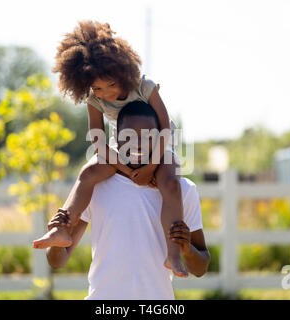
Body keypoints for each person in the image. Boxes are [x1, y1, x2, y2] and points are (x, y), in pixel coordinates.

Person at [33, 20, 188, 277]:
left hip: (158, 143)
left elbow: (166, 129)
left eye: (111, 85)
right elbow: (98, 140)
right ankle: (62, 226)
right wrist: (125, 167)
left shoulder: (144, 86)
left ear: (122, 72)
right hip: (122, 147)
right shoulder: (94, 99)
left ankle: (173, 253)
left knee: (171, 183)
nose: (105, 93)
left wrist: (151, 167)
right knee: (87, 173)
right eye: (97, 88)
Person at [46, 101, 211, 299]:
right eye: (130, 136)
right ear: (117, 139)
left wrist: (187, 248)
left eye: (148, 137)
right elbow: (57, 261)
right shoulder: (97, 185)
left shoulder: (182, 191)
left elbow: (200, 267)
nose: (138, 144)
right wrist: (57, 238)